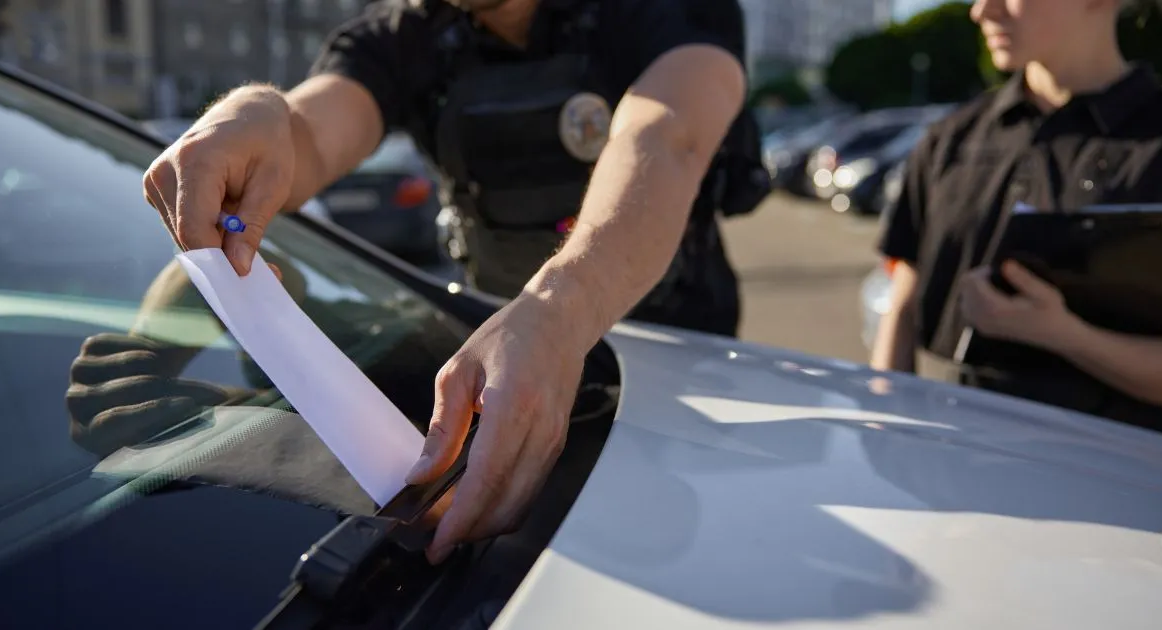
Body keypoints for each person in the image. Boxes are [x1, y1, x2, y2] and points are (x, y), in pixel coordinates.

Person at [141, 0, 764, 565]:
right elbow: (303, 139)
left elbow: (666, 137)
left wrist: (557, 313)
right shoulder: (408, 34)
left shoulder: (671, 12)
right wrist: (257, 112)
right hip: (494, 384)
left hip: (681, 383)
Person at [870, 0, 1162, 433]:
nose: (982, 11)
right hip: (946, 473)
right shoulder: (950, 141)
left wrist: (1063, 335)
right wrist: (884, 428)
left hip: (1111, 487)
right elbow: (903, 304)